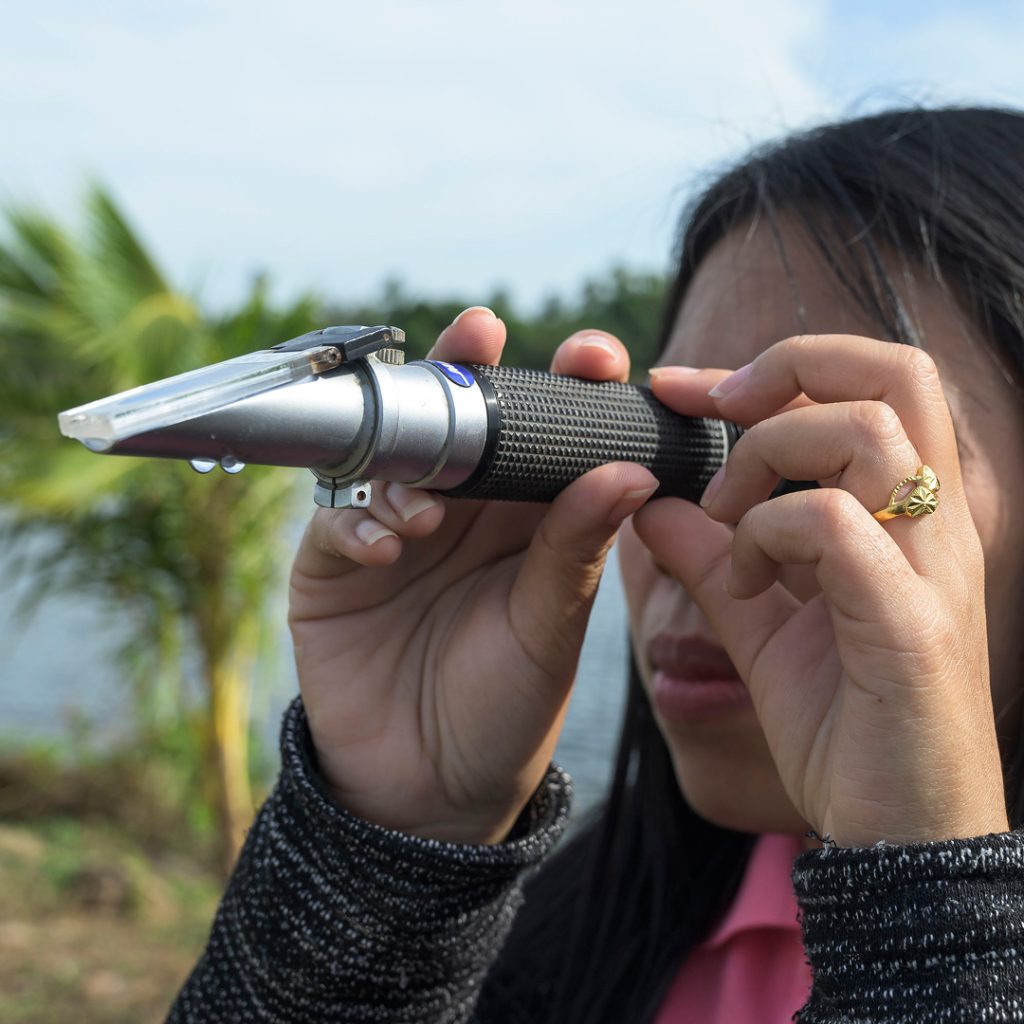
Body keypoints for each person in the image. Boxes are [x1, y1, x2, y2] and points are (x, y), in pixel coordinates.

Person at [168, 106, 1024, 1023]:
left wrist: (932, 915)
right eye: (672, 445)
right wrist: (388, 861)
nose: (703, 538)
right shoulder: (569, 938)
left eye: (823, 465)